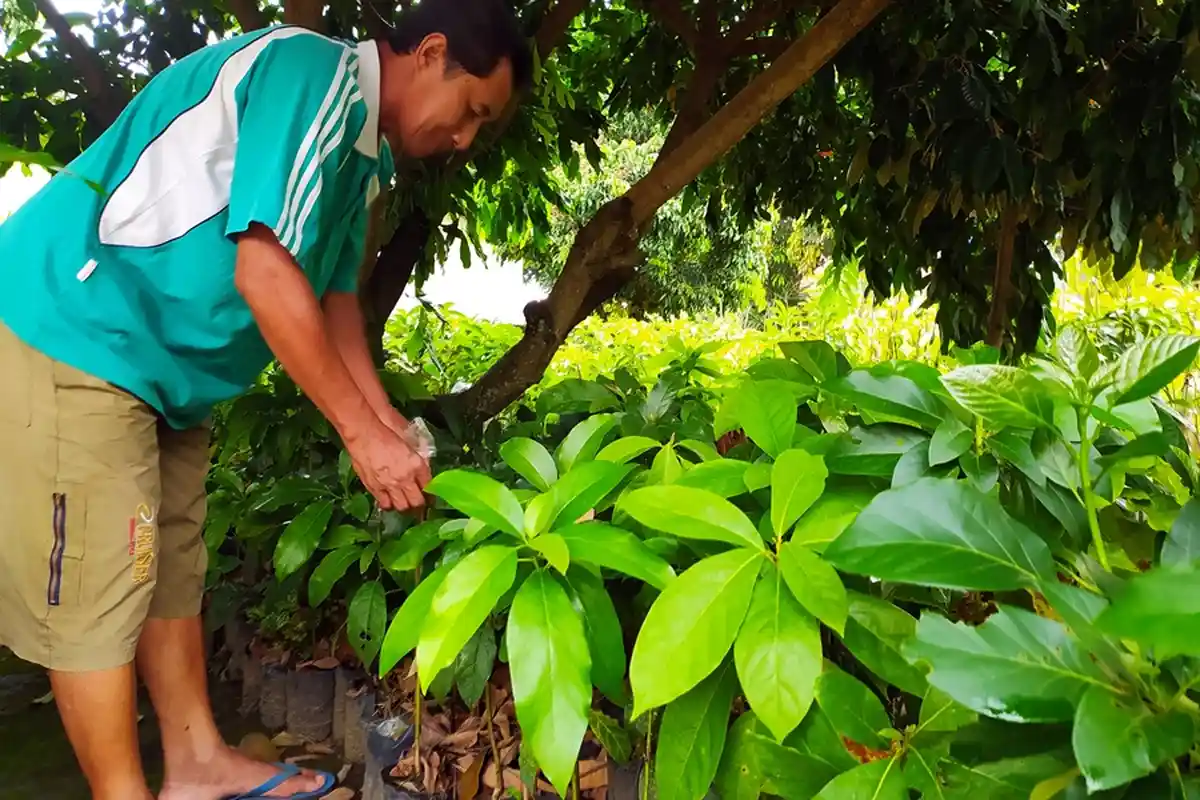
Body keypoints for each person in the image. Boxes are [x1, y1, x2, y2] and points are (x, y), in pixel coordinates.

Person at [0, 0, 531, 796]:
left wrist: (386, 423)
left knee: (166, 561)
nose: (463, 140)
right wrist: (358, 435)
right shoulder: (313, 77)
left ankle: (196, 762)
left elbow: (337, 298)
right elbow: (266, 271)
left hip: (160, 370)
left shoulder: (363, 156)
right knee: (98, 584)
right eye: (472, 113)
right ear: (429, 53)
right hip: (77, 327)